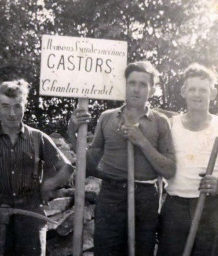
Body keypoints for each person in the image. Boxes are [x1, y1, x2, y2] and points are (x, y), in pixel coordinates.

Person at [68, 61, 176, 256]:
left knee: (141, 251)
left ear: (151, 90)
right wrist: (72, 134)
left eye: (143, 85)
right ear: (124, 85)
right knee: (106, 250)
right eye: (132, 83)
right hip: (111, 194)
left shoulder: (161, 122)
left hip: (145, 197)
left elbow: (169, 170)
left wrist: (141, 141)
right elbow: (90, 165)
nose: (136, 89)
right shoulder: (107, 118)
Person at [0, 79, 73, 256]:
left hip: (29, 213)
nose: (12, 113)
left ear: (25, 106)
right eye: (6, 106)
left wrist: (47, 186)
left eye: (17, 106)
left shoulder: (38, 138)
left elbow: (66, 168)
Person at [157, 63, 218, 256]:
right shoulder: (171, 125)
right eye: (192, 89)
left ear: (213, 94)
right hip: (176, 206)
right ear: (183, 92)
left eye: (203, 90)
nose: (197, 95)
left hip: (211, 207)